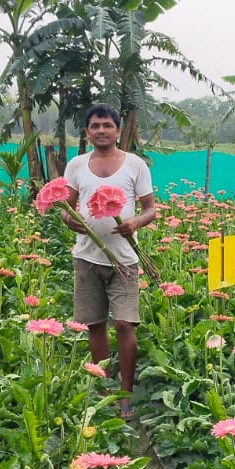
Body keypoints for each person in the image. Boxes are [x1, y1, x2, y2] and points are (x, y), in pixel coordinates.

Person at [61, 103, 156, 419]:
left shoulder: (135, 165)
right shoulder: (75, 165)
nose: (101, 130)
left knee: (125, 324)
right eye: (94, 125)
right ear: (87, 132)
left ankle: (125, 394)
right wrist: (67, 219)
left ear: (117, 130)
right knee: (95, 325)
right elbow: (67, 206)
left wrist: (135, 223)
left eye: (106, 125)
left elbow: (150, 209)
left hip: (126, 259)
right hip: (87, 257)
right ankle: (104, 390)